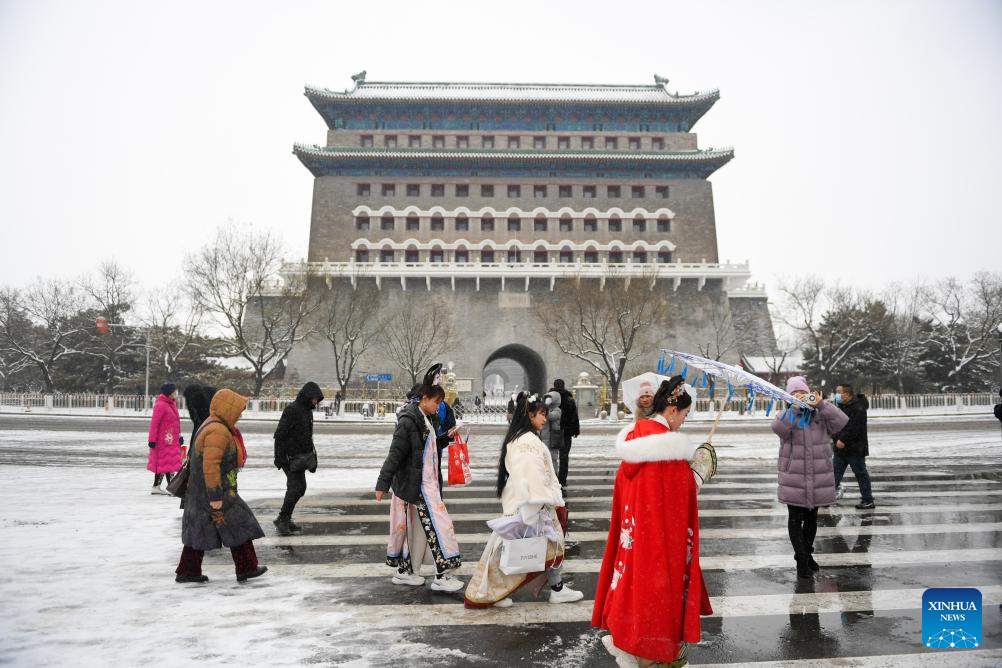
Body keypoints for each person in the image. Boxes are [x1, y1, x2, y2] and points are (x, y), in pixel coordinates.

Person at [593, 376, 712, 667]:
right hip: (658, 547)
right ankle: (645, 652)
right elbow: (677, 504)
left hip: (635, 541)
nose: (684, 421)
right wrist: (698, 474)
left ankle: (626, 639)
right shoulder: (668, 453)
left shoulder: (636, 440)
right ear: (672, 411)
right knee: (656, 600)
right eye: (684, 415)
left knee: (634, 589)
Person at [464, 392, 582, 608]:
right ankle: (492, 591)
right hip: (532, 504)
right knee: (511, 548)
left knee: (548, 546)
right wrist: (537, 502)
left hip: (532, 502)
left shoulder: (521, 437)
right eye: (541, 414)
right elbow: (531, 474)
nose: (544, 418)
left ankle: (556, 588)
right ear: (529, 415)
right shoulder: (526, 441)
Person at [376, 384, 464, 593]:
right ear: (424, 398)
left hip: (425, 484)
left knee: (416, 529)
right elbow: (395, 454)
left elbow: (426, 447)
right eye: (437, 402)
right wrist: (382, 484)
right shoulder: (408, 421)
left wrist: (445, 438)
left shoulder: (426, 419)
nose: (439, 406)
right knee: (440, 527)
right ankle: (443, 574)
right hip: (418, 486)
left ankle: (406, 571)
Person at [175, 389, 267, 583]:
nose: (241, 415)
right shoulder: (218, 431)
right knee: (239, 525)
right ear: (228, 409)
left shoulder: (215, 425)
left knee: (201, 530)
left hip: (205, 491)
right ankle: (246, 568)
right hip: (215, 491)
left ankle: (188, 571)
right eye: (239, 410)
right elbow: (211, 466)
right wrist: (215, 496)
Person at [772, 376, 849, 580]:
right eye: (794, 393)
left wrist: (822, 404)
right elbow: (778, 429)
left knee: (812, 519)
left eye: (801, 392)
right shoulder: (787, 415)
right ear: (788, 397)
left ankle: (808, 555)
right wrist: (796, 408)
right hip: (794, 477)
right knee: (795, 519)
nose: (798, 396)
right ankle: (801, 560)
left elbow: (842, 422)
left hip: (817, 475)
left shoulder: (820, 414)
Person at [273, 381, 325, 536]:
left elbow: (306, 435)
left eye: (317, 399)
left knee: (300, 489)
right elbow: (280, 435)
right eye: (314, 398)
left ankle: (284, 518)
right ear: (307, 396)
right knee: (295, 488)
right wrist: (280, 458)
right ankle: (283, 519)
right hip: (289, 458)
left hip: (301, 458)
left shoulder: (307, 411)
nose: (316, 402)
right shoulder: (292, 410)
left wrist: (310, 454)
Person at [831, 382, 875, 510]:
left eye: (839, 392)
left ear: (847, 393)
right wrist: (835, 439)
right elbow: (835, 425)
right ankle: (827, 498)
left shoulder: (858, 407)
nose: (837, 395)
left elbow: (855, 427)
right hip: (840, 449)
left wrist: (842, 439)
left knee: (861, 474)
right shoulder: (841, 406)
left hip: (855, 448)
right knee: (834, 474)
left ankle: (867, 500)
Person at [147, 382, 183, 495]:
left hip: (170, 438)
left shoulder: (171, 404)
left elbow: (174, 423)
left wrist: (179, 437)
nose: (176, 393)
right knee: (168, 462)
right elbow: (154, 424)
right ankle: (172, 488)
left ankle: (156, 486)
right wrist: (151, 440)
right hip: (163, 440)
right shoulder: (161, 405)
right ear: (169, 393)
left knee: (165, 463)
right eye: (174, 391)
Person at [550, 379, 580, 493]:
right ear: (564, 386)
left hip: (553, 431)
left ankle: (552, 479)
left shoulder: (550, 399)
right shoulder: (569, 399)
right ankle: (562, 480)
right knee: (564, 457)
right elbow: (574, 416)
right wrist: (576, 430)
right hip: (566, 432)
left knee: (551, 457)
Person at [540, 390, 563, 474]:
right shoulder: (545, 409)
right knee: (544, 457)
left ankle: (554, 475)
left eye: (550, 399)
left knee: (553, 458)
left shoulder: (557, 410)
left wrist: (545, 407)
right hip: (544, 437)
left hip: (553, 438)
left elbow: (551, 416)